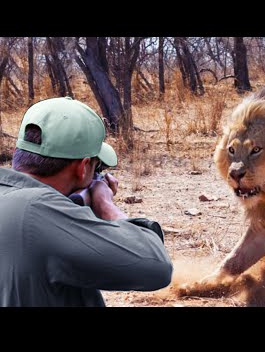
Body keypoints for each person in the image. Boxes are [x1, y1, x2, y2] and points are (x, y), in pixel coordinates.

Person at [0, 97, 173, 307]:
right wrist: (105, 205)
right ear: (82, 168)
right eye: (96, 168)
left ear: (18, 153)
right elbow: (155, 267)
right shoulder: (37, 212)